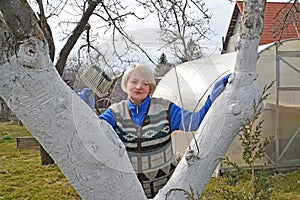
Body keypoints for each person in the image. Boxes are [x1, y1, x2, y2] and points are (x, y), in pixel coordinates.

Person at [99, 63, 230, 198]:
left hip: (166, 190)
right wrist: (83, 112)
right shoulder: (115, 113)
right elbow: (95, 130)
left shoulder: (165, 109)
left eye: (145, 83)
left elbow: (195, 121)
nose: (139, 87)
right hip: (130, 191)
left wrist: (212, 99)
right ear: (126, 85)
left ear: (150, 87)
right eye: (134, 82)